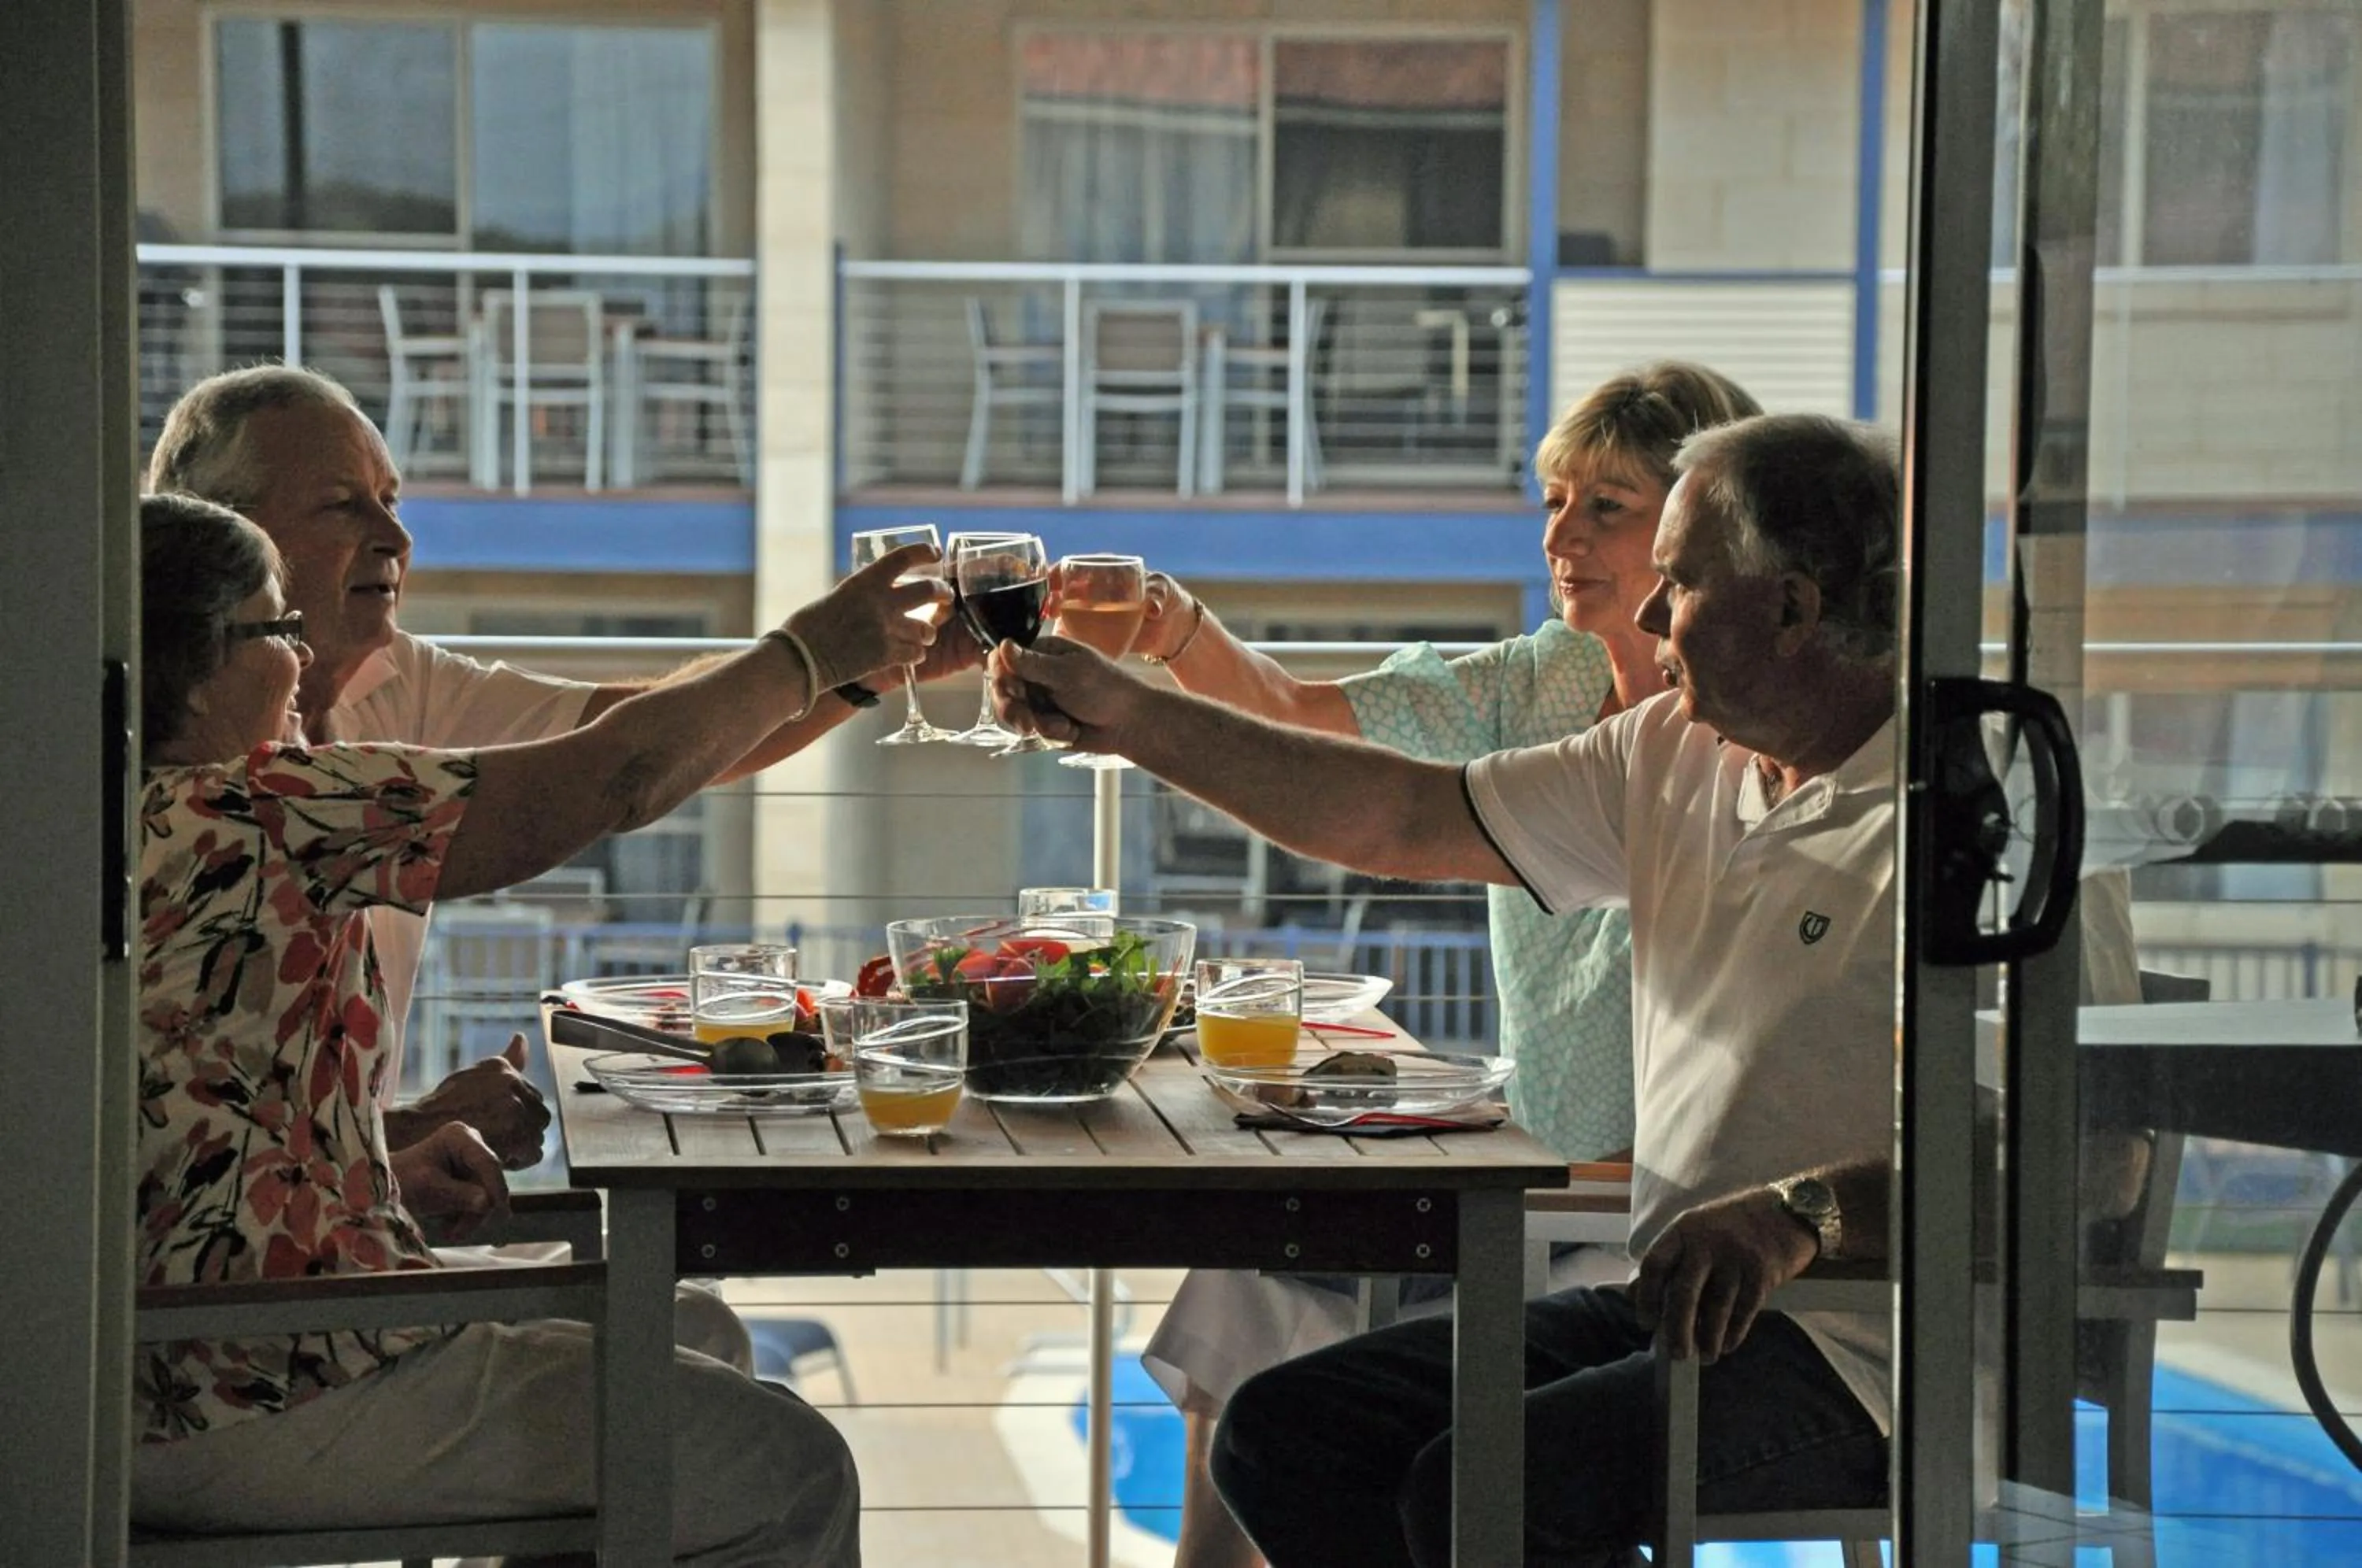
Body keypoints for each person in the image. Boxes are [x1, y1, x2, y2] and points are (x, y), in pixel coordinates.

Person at [990, 412, 1903, 1566]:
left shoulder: (1967, 811)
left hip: (1875, 1349)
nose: (1654, 617)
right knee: (1286, 1435)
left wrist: (1800, 1217)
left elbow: (2079, 1162)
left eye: (1681, 583)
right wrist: (1133, 719)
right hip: (1676, 1307)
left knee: (1486, 1488)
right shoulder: (1676, 750)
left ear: (1793, 608)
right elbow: (1403, 815)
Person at [131, 491, 940, 1561]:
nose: (301, 653)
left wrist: (377, 1153)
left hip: (171, 1358)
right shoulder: (257, 808)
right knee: (787, 1469)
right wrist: (810, 650)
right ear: (196, 658)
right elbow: (613, 775)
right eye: (278, 629)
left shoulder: (123, 814)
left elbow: (187, 1119)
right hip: (256, 1382)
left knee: (694, 1329)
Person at [1122, 363, 1764, 1568]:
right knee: (1255, 1272)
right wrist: (1171, 637)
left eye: (1606, 508)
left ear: (1696, 533)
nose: (1562, 537)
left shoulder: (1754, 752)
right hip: (1530, 1172)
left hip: (1636, 1210)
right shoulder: (1547, 686)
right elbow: (1311, 730)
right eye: (1554, 502)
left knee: (1361, 1409)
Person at [144, 364, 976, 1173]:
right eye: (340, 506)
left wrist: (406, 1134)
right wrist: (812, 652)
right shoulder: (275, 801)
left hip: (295, 1242)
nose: (397, 538)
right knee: (688, 1311)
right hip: (288, 1302)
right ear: (227, 545)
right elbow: (622, 771)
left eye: (391, 501)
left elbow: (646, 740)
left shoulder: (377, 692)